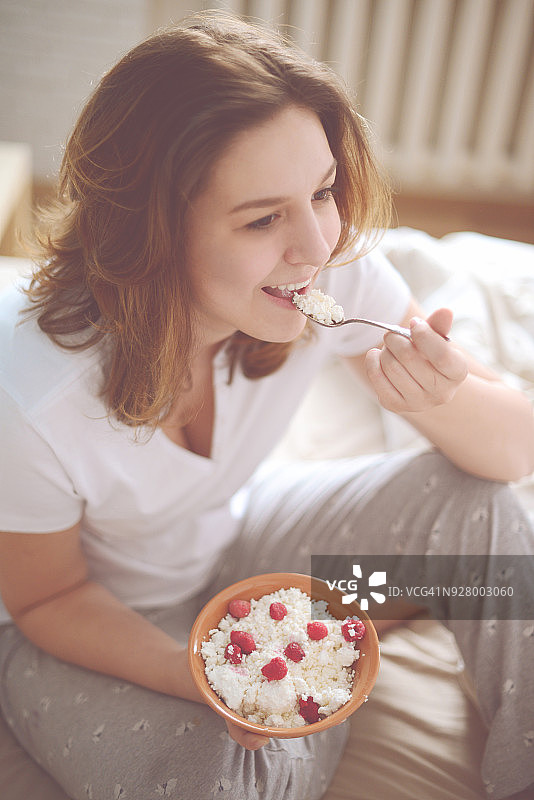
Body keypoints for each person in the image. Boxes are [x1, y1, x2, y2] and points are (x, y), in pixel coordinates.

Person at [0, 10, 532, 800]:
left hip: (239, 544)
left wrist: (444, 397)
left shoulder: (327, 272)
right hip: (91, 622)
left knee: (481, 520)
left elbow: (514, 457)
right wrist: (212, 672)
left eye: (322, 192)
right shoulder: (28, 395)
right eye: (262, 218)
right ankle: (337, 643)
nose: (317, 245)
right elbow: (48, 598)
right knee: (225, 774)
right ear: (150, 230)